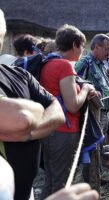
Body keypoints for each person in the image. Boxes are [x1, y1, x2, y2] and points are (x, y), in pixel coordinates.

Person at [0, 9, 65, 200]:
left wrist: (29, 133)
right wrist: (35, 110)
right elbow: (20, 118)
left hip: (25, 189)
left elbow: (58, 111)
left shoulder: (19, 74)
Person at [39, 24, 98, 199]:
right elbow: (72, 105)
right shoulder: (65, 66)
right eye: (82, 46)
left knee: (51, 180)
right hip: (64, 130)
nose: (82, 50)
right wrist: (86, 89)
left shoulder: (47, 62)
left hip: (49, 129)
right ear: (74, 45)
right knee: (61, 185)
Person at [75, 34, 109, 171]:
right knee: (93, 147)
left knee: (100, 145)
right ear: (96, 47)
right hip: (94, 113)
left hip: (104, 112)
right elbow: (75, 83)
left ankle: (97, 175)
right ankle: (91, 181)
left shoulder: (101, 63)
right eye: (107, 49)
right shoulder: (85, 62)